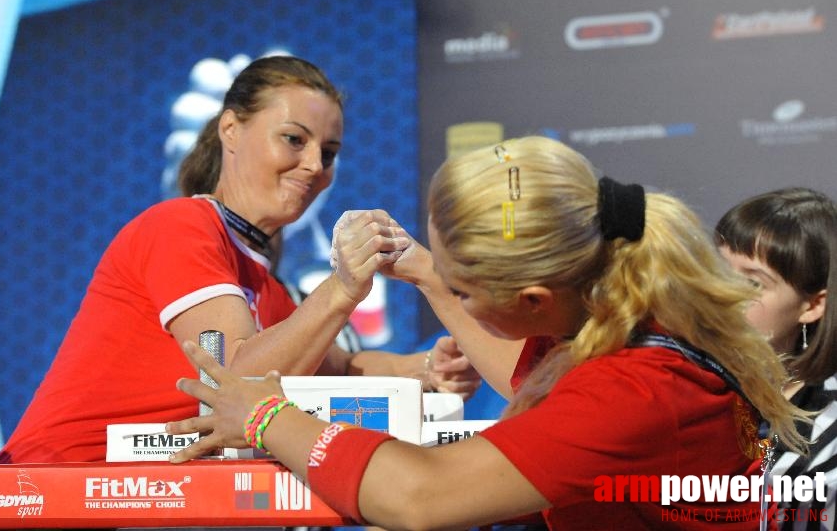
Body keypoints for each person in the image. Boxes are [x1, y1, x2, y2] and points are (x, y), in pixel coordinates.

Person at [166, 136, 806, 530]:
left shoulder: (632, 389)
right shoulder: (624, 324)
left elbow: (423, 495)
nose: (455, 295)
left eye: (467, 288)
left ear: (533, 299)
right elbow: (535, 384)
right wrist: (428, 275)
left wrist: (265, 415)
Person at [0, 55, 479, 464]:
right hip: (50, 496)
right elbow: (232, 381)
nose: (314, 165)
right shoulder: (181, 225)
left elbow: (343, 371)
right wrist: (343, 287)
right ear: (230, 128)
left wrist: (427, 373)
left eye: (329, 153)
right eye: (294, 139)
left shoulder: (272, 288)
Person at [716, 187, 837, 529]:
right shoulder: (678, 374)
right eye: (717, 272)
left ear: (812, 306)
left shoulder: (828, 427)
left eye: (753, 285)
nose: (721, 294)